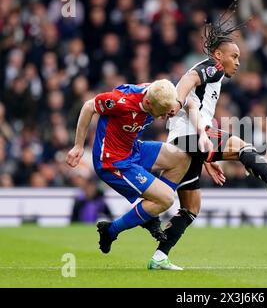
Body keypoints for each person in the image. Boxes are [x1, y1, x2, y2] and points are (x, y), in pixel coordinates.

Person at [141, 2, 267, 270]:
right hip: (189, 136)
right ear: (219, 55)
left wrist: (208, 157)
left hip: (186, 143)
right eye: (235, 57)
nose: (238, 62)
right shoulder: (213, 67)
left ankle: (159, 256)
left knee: (191, 207)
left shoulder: (215, 74)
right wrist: (178, 99)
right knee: (242, 144)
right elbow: (188, 81)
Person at [66, 79, 210, 264]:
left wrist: (202, 133)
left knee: (182, 157)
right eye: (160, 113)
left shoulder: (161, 94)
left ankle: (150, 213)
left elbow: (190, 102)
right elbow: (88, 106)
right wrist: (78, 145)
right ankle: (111, 230)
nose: (162, 117)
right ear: (149, 103)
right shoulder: (121, 101)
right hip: (113, 162)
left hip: (132, 149)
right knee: (166, 199)